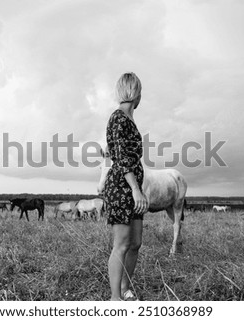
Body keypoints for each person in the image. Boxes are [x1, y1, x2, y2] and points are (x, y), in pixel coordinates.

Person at [104, 72, 148, 301]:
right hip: (122, 188)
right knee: (121, 244)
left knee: (136, 242)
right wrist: (135, 189)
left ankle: (125, 288)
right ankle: (115, 299)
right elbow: (121, 157)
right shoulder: (118, 117)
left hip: (132, 186)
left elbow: (116, 150)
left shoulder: (128, 119)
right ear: (136, 92)